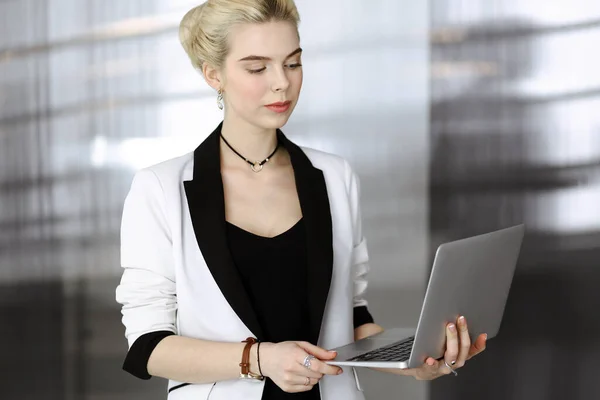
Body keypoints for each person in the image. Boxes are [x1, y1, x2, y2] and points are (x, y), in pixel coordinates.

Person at [115, 1, 488, 399]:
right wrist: (259, 359)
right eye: (257, 67)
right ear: (213, 74)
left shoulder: (334, 176)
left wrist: (414, 361)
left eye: (292, 63)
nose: (282, 83)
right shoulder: (159, 188)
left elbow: (352, 316)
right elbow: (148, 346)